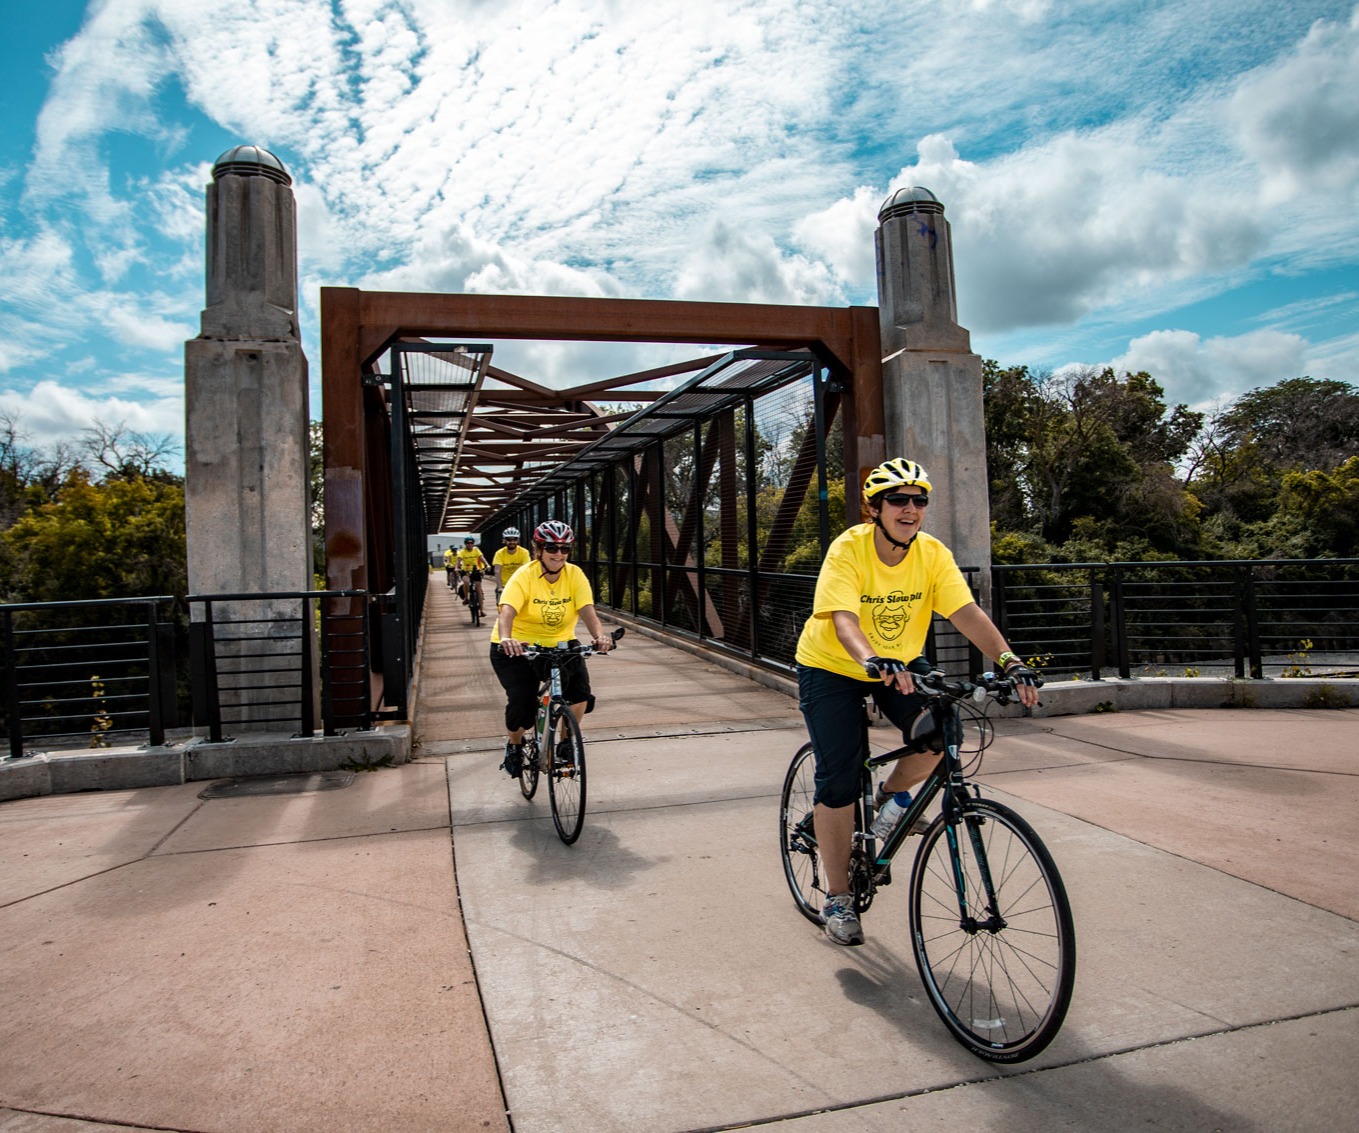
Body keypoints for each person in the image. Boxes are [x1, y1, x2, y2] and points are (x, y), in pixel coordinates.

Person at [794, 457, 1040, 946]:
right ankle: (839, 896)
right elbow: (842, 618)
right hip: (833, 665)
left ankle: (889, 800)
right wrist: (871, 658)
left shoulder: (931, 554)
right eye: (898, 500)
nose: (910, 509)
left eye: (919, 501)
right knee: (839, 779)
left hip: (900, 664)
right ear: (875, 508)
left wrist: (1010, 661)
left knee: (941, 735)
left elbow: (965, 612)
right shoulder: (849, 549)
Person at [490, 519, 614, 776]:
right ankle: (515, 746)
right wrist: (506, 639)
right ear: (538, 549)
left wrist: (600, 637)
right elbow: (507, 611)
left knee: (580, 693)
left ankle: (566, 742)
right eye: (551, 548)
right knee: (522, 700)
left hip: (560, 643)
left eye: (565, 548)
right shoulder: (524, 576)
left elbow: (587, 610)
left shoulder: (574, 574)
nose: (559, 554)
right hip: (519, 646)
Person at [491, 527, 530, 603]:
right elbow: (497, 571)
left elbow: (526, 569)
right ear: (504, 540)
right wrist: (500, 587)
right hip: (505, 586)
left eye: (514, 539)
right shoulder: (499, 553)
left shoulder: (524, 552)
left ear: (518, 540)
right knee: (502, 605)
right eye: (509, 540)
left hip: (519, 584)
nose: (512, 542)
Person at [454, 536, 489, 608]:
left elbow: (481, 558)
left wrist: (487, 565)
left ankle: (481, 610)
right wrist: (456, 568)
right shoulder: (462, 552)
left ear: (473, 543)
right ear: (465, 544)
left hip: (476, 571)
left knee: (478, 589)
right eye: (468, 543)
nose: (469, 544)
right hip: (466, 571)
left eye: (471, 543)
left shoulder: (476, 550)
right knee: (466, 581)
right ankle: (466, 598)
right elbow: (458, 560)